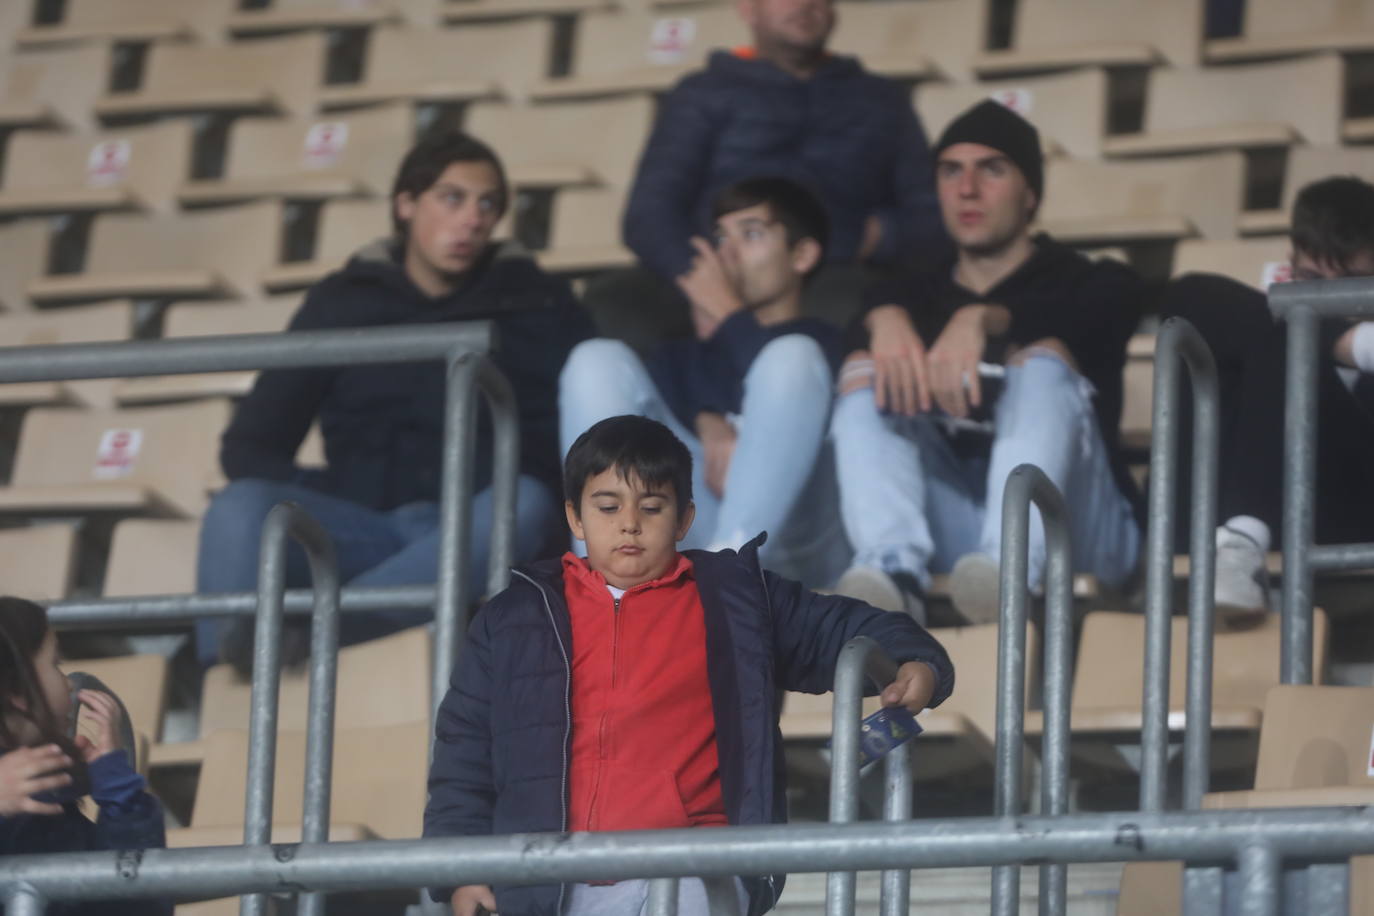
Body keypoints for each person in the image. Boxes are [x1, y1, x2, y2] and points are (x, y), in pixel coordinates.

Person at [424, 415, 954, 916]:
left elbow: (841, 626)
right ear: (574, 517)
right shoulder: (514, 616)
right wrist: (464, 869)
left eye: (651, 508)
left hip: (698, 867)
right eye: (607, 507)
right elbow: (464, 753)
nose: (629, 525)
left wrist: (918, 662)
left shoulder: (736, 599)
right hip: (552, 882)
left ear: (685, 519)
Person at [196, 131, 594, 671]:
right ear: (405, 205)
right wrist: (331, 490)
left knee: (521, 503)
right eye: (452, 198)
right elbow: (250, 445)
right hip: (363, 528)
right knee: (239, 507)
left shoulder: (539, 302)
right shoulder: (343, 302)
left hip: (476, 530)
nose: (472, 219)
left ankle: (312, 639)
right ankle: (220, 688)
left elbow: (580, 443)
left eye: (488, 205)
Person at [831, 100, 1145, 622]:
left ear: (1031, 194)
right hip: (961, 534)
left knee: (1043, 363)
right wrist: (882, 320)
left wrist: (985, 319)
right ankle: (892, 566)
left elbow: (1099, 316)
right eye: (951, 171)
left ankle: (1014, 564)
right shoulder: (910, 294)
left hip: (1082, 530)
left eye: (991, 170)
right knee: (863, 373)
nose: (967, 189)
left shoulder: (1090, 280)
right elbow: (848, 341)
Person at [561, 177, 847, 586]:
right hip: (695, 537)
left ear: (801, 254)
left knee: (793, 355)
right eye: (719, 238)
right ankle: (601, 579)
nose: (726, 252)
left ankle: (732, 574)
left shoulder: (830, 341)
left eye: (750, 234)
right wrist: (708, 419)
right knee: (597, 359)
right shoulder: (679, 356)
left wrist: (729, 314)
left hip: (804, 539)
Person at [1161, 175, 1374, 619]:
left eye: (1352, 284)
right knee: (1272, 328)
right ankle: (1238, 542)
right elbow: (1184, 296)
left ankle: (1242, 541)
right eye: (1311, 279)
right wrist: (1347, 340)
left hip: (1342, 514)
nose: (1330, 300)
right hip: (1217, 521)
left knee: (1287, 329)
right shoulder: (1271, 329)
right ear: (1290, 262)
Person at [622, 0, 945, 289]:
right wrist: (701, 279)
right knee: (618, 303)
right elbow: (650, 213)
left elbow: (928, 211)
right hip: (717, 270)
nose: (806, 5)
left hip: (838, 273)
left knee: (863, 308)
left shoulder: (881, 99)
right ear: (748, 8)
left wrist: (880, 237)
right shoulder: (701, 93)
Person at [0, 597, 171, 916]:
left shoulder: (49, 795)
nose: (70, 684)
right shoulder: (24, 804)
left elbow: (136, 905)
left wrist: (120, 796)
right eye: (55, 664)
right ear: (18, 693)